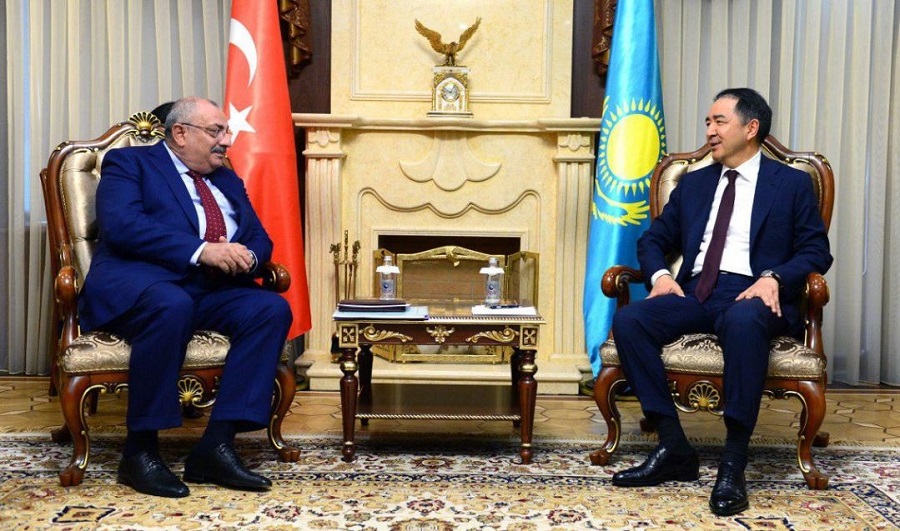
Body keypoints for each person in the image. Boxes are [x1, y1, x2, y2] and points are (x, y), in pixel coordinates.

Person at [609, 88, 832, 516]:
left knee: (744, 321)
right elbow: (653, 240)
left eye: (719, 121)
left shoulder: (790, 184)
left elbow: (815, 251)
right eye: (708, 122)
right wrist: (659, 277)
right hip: (697, 292)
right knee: (631, 320)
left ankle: (733, 461)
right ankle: (674, 447)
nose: (710, 130)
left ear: (751, 128)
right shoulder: (694, 184)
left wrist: (773, 278)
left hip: (752, 293)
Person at [78, 96, 293, 498]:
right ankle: (140, 452)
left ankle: (216, 445)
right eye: (216, 131)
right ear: (180, 133)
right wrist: (202, 250)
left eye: (226, 131)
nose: (227, 140)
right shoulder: (130, 164)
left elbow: (258, 236)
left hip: (209, 289)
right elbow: (123, 226)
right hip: (143, 286)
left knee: (270, 308)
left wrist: (247, 257)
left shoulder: (226, 178)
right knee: (171, 305)